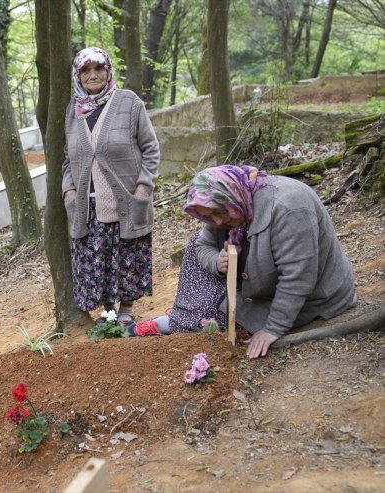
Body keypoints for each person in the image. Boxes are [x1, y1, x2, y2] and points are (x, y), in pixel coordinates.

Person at [130, 165, 357, 359]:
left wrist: (273, 328)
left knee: (212, 317)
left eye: (217, 213)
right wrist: (216, 262)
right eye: (208, 216)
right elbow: (203, 245)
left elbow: (298, 277)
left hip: (311, 298)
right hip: (257, 284)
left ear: (230, 196)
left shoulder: (288, 209)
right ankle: (180, 318)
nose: (217, 221)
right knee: (193, 246)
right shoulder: (231, 202)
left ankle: (179, 322)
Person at [61, 46, 161, 326]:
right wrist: (69, 190)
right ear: (78, 76)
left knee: (127, 255)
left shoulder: (129, 103)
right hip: (87, 203)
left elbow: (151, 149)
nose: (93, 75)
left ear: (108, 71)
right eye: (85, 70)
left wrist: (143, 188)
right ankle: (109, 309)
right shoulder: (73, 111)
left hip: (126, 199)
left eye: (99, 68)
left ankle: (126, 307)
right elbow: (67, 159)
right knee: (97, 259)